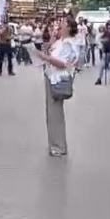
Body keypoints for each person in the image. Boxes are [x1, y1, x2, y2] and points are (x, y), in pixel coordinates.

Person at [32, 18, 78, 157]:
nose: (59, 26)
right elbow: (49, 52)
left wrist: (43, 57)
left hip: (58, 79)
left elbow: (62, 63)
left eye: (62, 24)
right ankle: (54, 143)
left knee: (55, 113)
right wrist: (51, 40)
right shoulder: (60, 41)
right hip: (51, 76)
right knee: (51, 112)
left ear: (69, 28)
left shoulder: (68, 44)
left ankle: (59, 146)